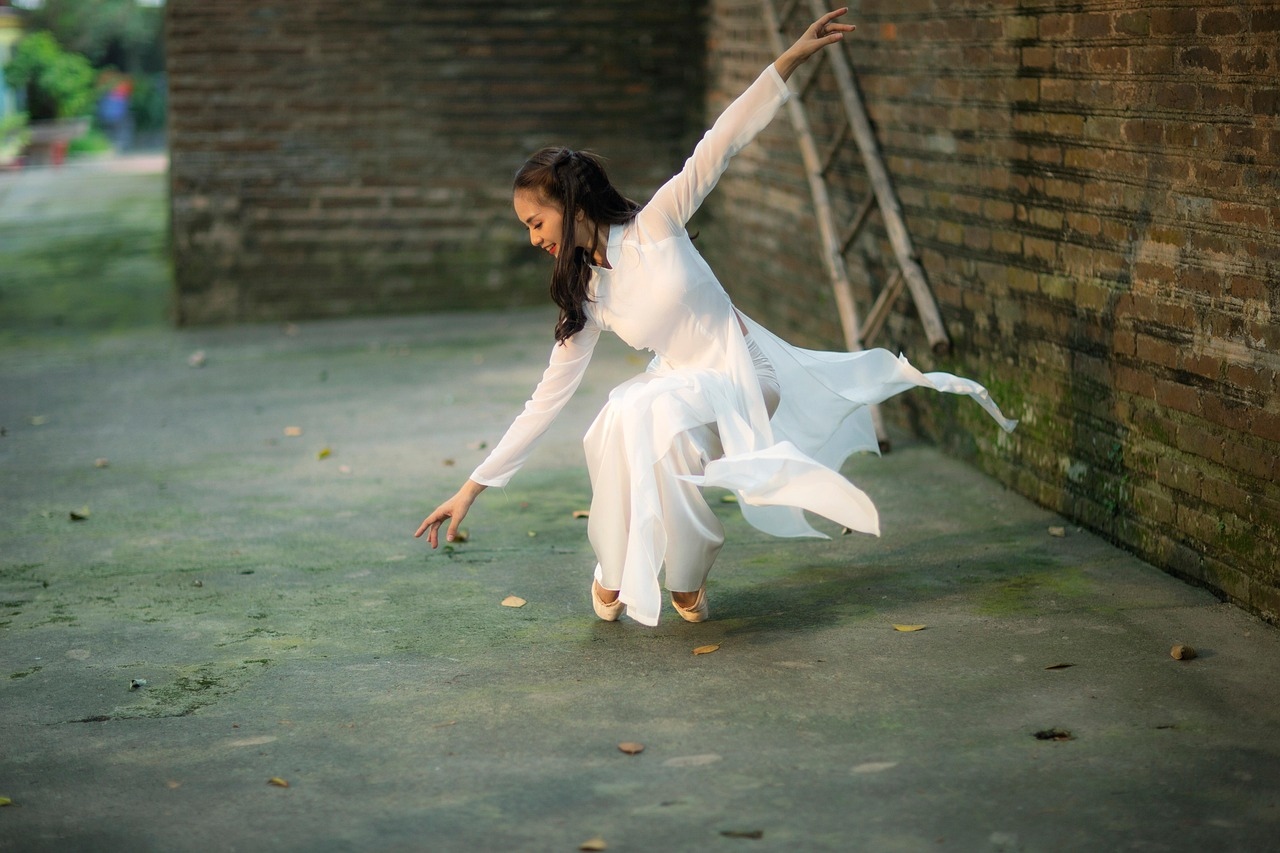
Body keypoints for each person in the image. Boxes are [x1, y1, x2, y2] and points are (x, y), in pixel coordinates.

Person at [416, 8, 1016, 626]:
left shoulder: (657, 224)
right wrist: (471, 488)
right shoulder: (587, 291)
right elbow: (546, 398)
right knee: (624, 420)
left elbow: (720, 142)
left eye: (536, 221)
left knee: (642, 409)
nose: (533, 238)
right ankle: (624, 568)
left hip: (745, 376)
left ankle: (673, 575)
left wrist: (789, 60)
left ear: (569, 205)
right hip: (679, 387)